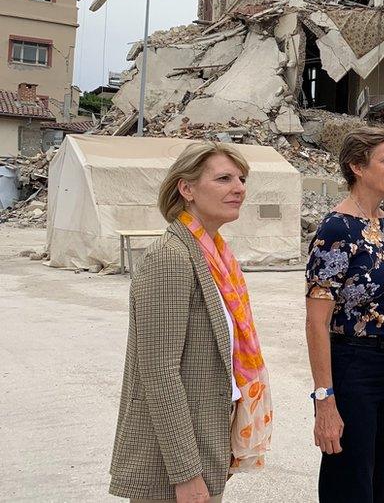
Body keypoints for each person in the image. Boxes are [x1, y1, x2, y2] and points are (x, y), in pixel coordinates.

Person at [109, 141, 273, 502]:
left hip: (208, 437)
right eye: (224, 178)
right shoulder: (170, 258)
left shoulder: (217, 258)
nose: (239, 188)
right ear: (187, 189)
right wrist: (186, 473)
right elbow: (159, 372)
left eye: (242, 178)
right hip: (173, 461)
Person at [305, 126, 384, 502]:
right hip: (353, 365)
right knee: (349, 484)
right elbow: (316, 320)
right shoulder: (336, 229)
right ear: (356, 166)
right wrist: (325, 399)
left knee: (376, 481)